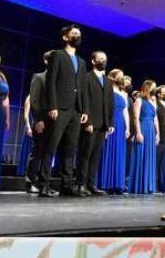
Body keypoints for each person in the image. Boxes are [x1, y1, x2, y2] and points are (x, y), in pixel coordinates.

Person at [41, 25, 89, 197]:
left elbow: (82, 88)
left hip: (76, 111)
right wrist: (52, 106)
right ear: (65, 37)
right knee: (51, 146)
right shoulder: (57, 55)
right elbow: (51, 82)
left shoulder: (82, 62)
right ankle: (44, 184)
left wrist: (84, 110)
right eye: (74, 34)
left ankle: (66, 185)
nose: (77, 37)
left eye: (79, 35)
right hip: (59, 108)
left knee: (70, 148)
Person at [76, 51, 115, 196]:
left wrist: (110, 122)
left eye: (105, 59)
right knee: (85, 154)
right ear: (93, 61)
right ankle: (80, 184)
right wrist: (88, 122)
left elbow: (110, 103)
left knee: (96, 156)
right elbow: (84, 99)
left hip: (103, 124)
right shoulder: (86, 77)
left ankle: (91, 185)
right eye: (101, 59)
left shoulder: (108, 81)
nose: (103, 61)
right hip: (91, 122)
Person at [22, 51, 51, 194]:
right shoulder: (39, 77)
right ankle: (30, 182)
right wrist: (38, 119)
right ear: (46, 61)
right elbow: (33, 100)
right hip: (41, 121)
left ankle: (43, 184)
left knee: (47, 154)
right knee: (37, 152)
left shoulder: (58, 80)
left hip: (54, 123)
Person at [97, 69, 130, 194]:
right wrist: (105, 126)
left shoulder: (123, 93)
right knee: (107, 151)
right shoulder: (106, 89)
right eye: (120, 76)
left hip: (121, 124)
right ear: (113, 77)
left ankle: (117, 184)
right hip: (110, 123)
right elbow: (103, 108)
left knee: (119, 153)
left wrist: (128, 128)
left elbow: (125, 111)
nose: (122, 78)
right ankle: (105, 183)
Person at [127, 80, 159, 194]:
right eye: (154, 87)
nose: (155, 90)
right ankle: (139, 185)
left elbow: (155, 118)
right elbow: (135, 118)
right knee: (141, 155)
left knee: (149, 156)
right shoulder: (139, 101)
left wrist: (157, 133)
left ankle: (148, 185)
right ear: (147, 88)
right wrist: (138, 133)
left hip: (151, 130)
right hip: (143, 128)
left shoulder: (153, 102)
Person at [154, 85, 165, 192]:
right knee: (157, 161)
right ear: (159, 94)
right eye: (164, 92)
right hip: (159, 135)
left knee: (164, 163)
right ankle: (155, 184)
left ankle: (162, 184)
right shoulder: (156, 104)